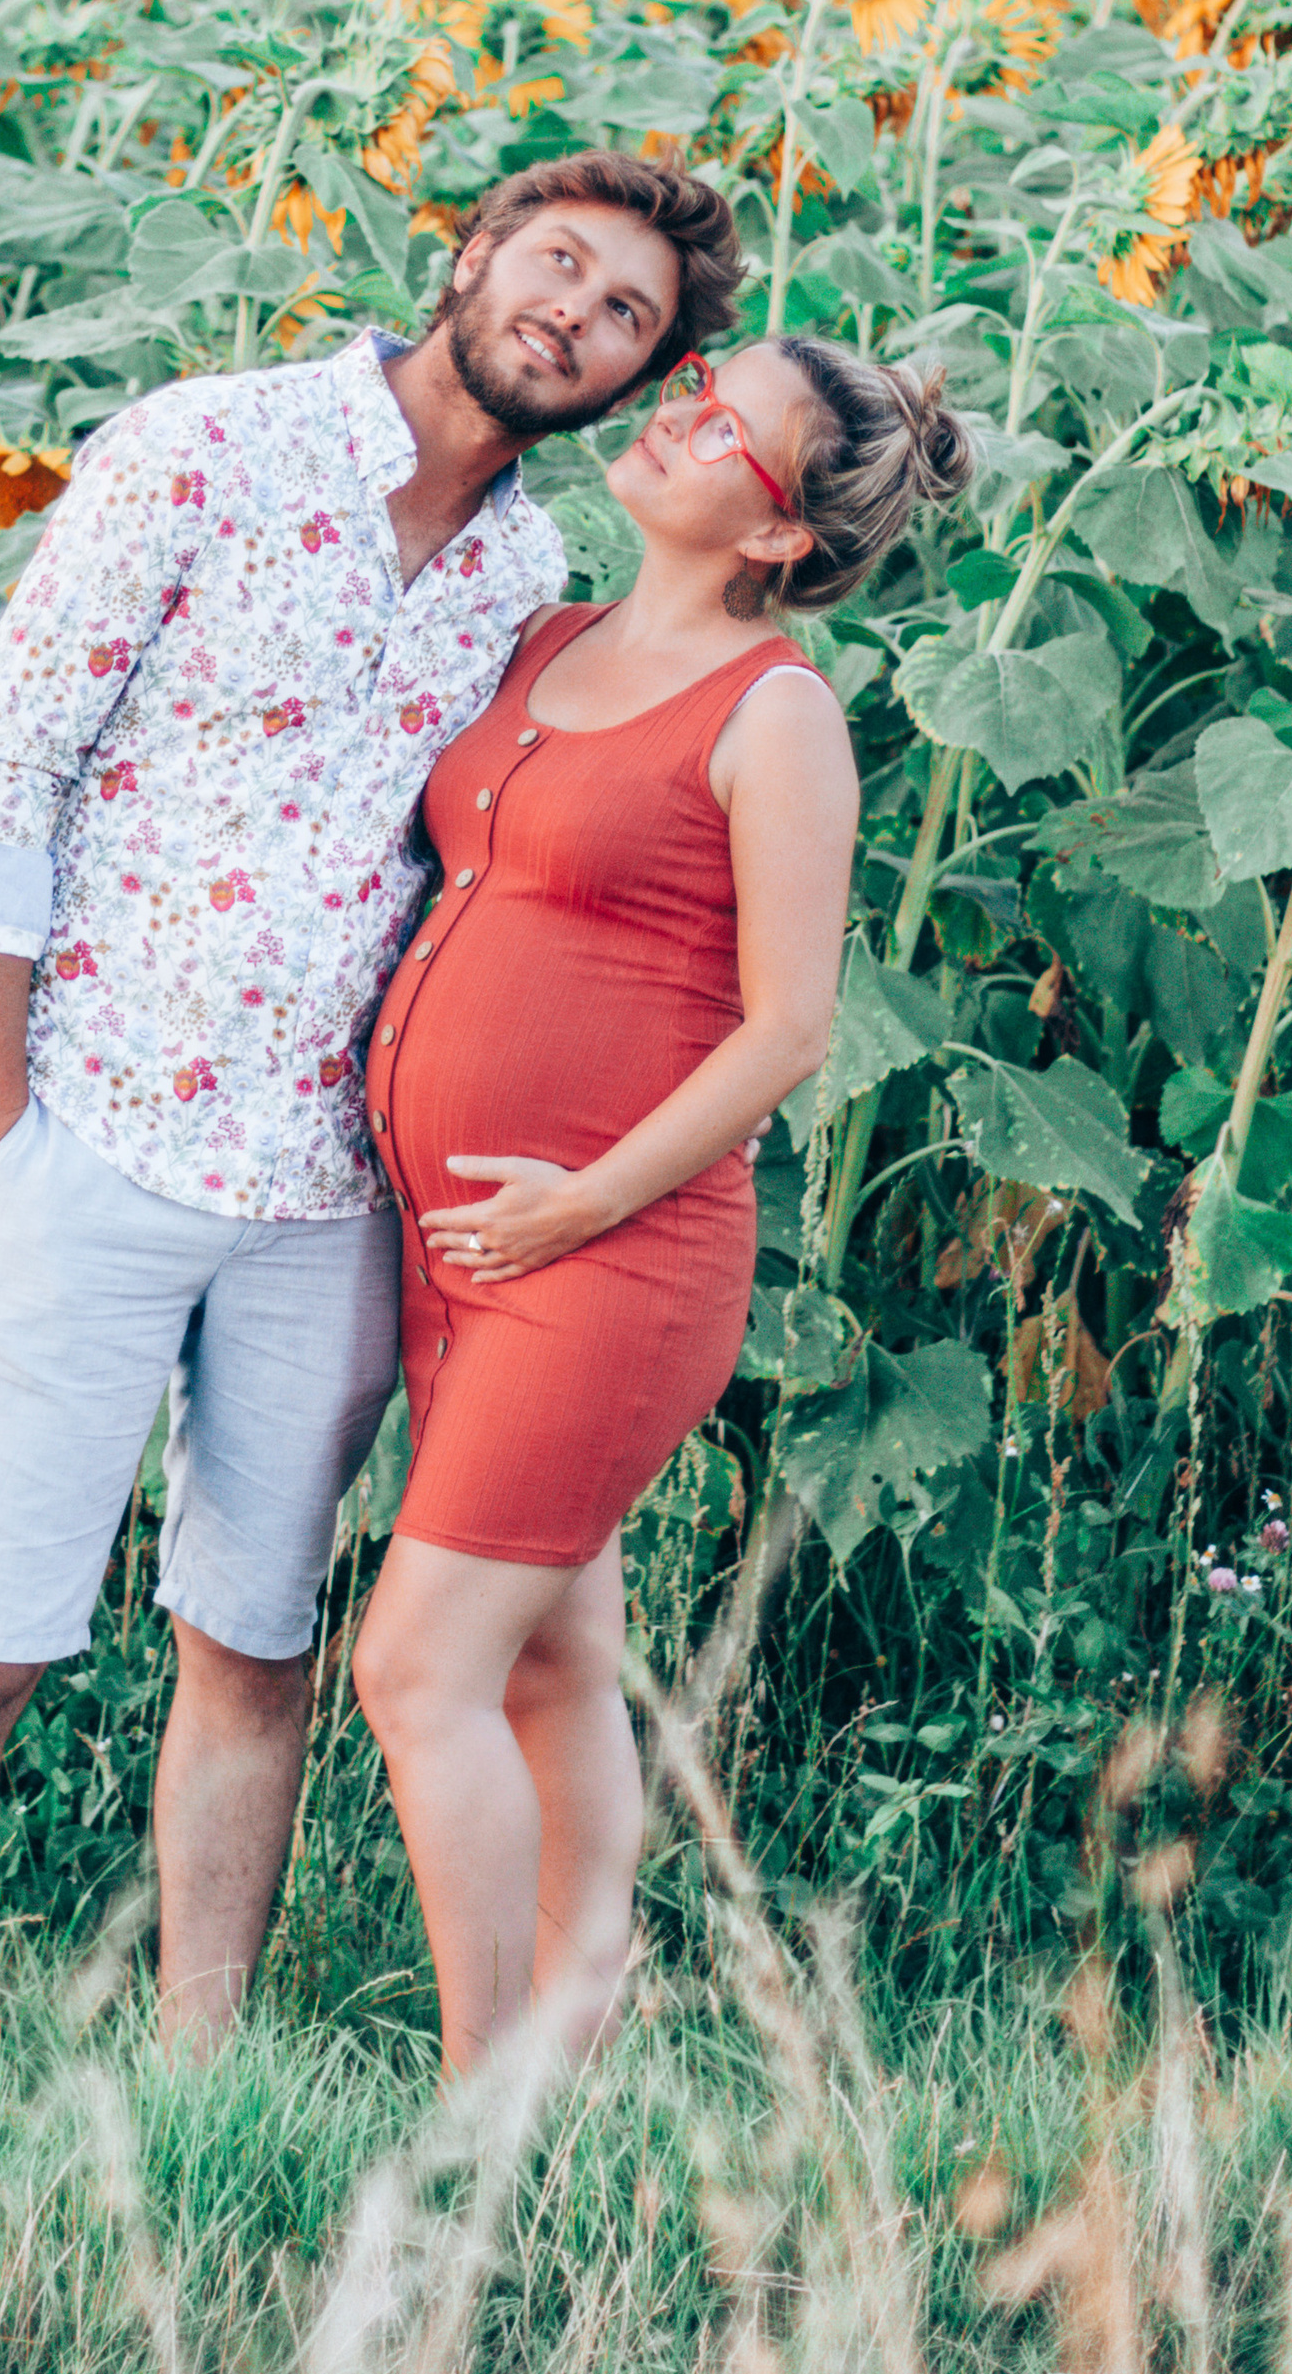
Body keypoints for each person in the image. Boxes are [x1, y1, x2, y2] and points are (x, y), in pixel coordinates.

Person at [0, 152, 749, 2068]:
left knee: (254, 1653)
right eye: (556, 265)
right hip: (91, 1139)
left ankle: (196, 2083)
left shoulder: (530, 583)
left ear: (632, 377)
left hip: (335, 1198)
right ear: (471, 251)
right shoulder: (202, 448)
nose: (572, 314)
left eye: (625, 317)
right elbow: (7, 774)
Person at [351, 334, 973, 2076]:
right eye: (693, 381)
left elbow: (789, 1028)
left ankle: (487, 2097)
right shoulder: (548, 637)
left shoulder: (776, 711)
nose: (676, 416)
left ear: (776, 538)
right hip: (464, 1249)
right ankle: (572, 2037)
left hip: (610, 1260)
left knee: (418, 1672)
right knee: (551, 1659)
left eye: (725, 427)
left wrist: (582, 1201)